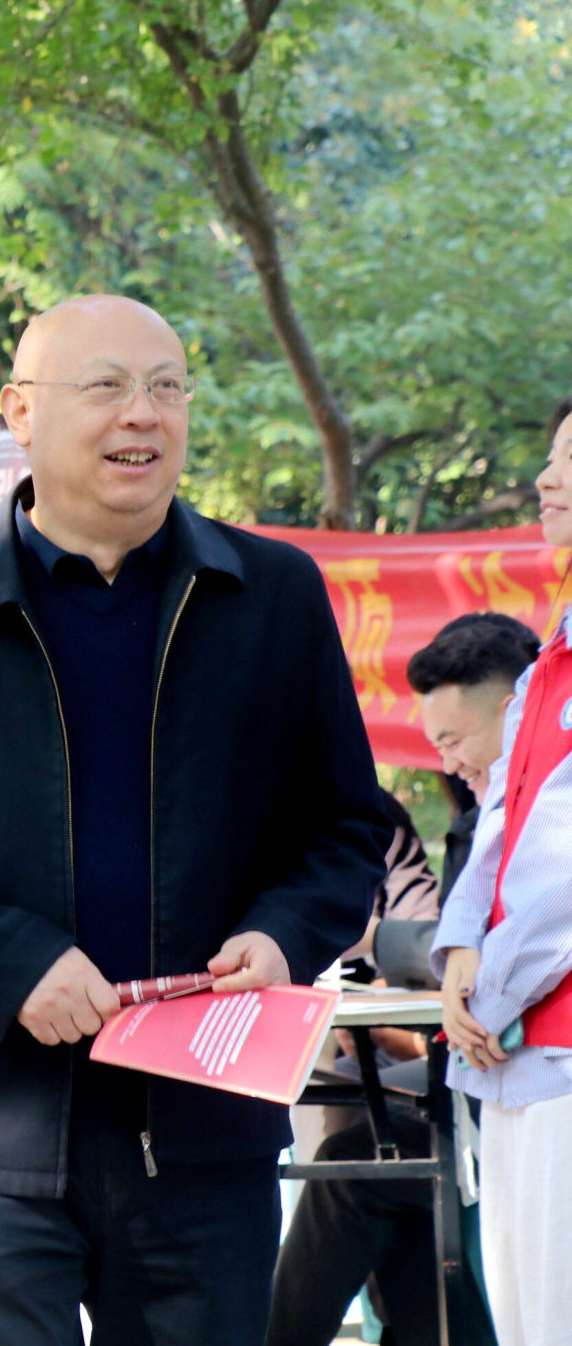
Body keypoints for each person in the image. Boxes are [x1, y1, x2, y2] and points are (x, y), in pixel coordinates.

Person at [0, 295, 387, 1346]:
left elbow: (344, 825)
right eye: (105, 386)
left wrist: (283, 934)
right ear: (19, 412)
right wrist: (8, 961)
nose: (142, 414)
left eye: (166, 387)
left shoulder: (270, 595)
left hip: (203, 1128)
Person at [268, 612, 539, 1346]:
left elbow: (480, 951)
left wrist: (385, 944)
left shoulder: (536, 811)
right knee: (384, 1153)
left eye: (453, 740)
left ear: (517, 710)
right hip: (470, 1075)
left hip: (524, 1082)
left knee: (366, 1160)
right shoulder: (479, 814)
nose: (445, 761)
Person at [432, 397, 572, 1346]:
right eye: (552, 455)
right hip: (514, 1051)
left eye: (569, 460)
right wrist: (456, 956)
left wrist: (485, 995)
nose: (546, 479)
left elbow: (560, 870)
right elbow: (497, 830)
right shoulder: (543, 663)